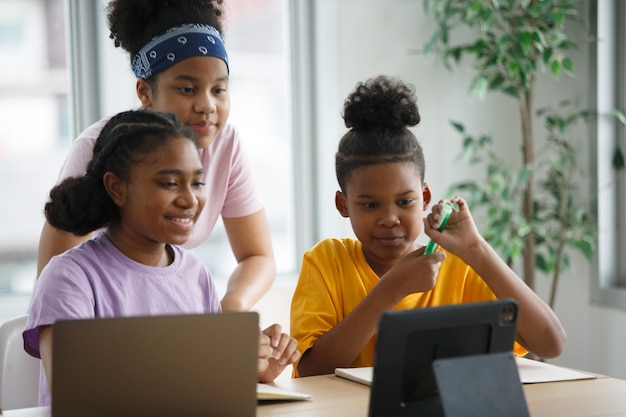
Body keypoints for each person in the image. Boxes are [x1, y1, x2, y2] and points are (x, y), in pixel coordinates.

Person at [289, 75, 567, 377]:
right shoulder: (326, 262)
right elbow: (311, 371)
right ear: (343, 205)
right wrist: (391, 289)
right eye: (370, 205)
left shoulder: (456, 265)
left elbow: (550, 344)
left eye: (405, 202)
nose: (389, 218)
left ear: (424, 198)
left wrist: (476, 249)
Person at [23, 110, 300, 406]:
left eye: (197, 183)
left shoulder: (195, 273)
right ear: (116, 187)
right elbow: (77, 391)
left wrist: (250, 369)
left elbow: (204, 380)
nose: (190, 199)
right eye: (170, 183)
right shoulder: (69, 276)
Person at [36, 0, 274, 312]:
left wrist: (226, 315)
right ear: (145, 93)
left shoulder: (225, 144)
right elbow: (56, 280)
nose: (207, 105)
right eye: (187, 90)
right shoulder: (99, 147)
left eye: (219, 90)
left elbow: (259, 256)